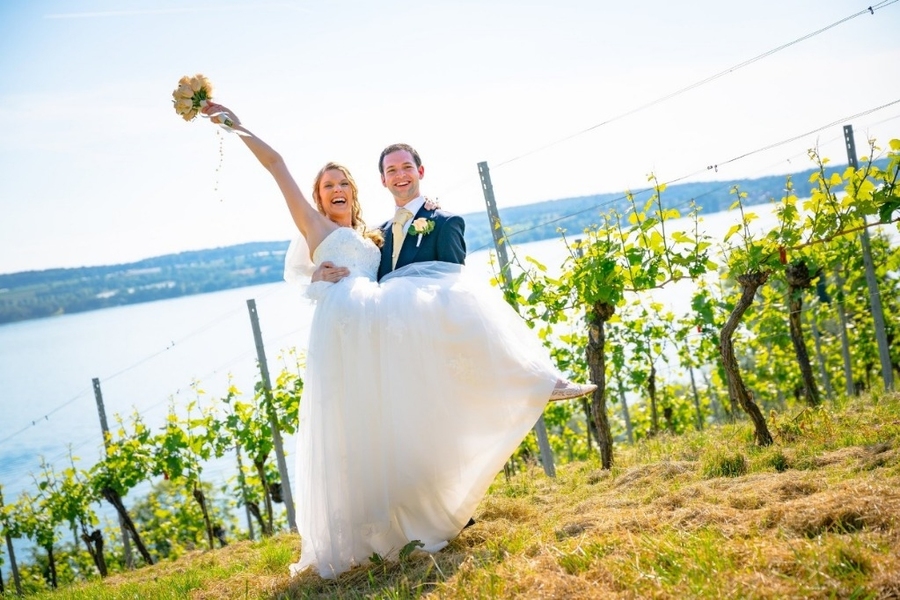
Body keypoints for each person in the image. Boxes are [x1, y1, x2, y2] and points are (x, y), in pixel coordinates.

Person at [200, 102, 596, 579]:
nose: (337, 190)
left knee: (396, 418)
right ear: (318, 198)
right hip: (348, 333)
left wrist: (321, 280)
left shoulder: (375, 237)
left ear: (357, 190)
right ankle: (368, 528)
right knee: (355, 426)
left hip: (382, 334)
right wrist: (235, 124)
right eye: (328, 186)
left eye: (344, 182)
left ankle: (527, 381)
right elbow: (276, 165)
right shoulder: (315, 226)